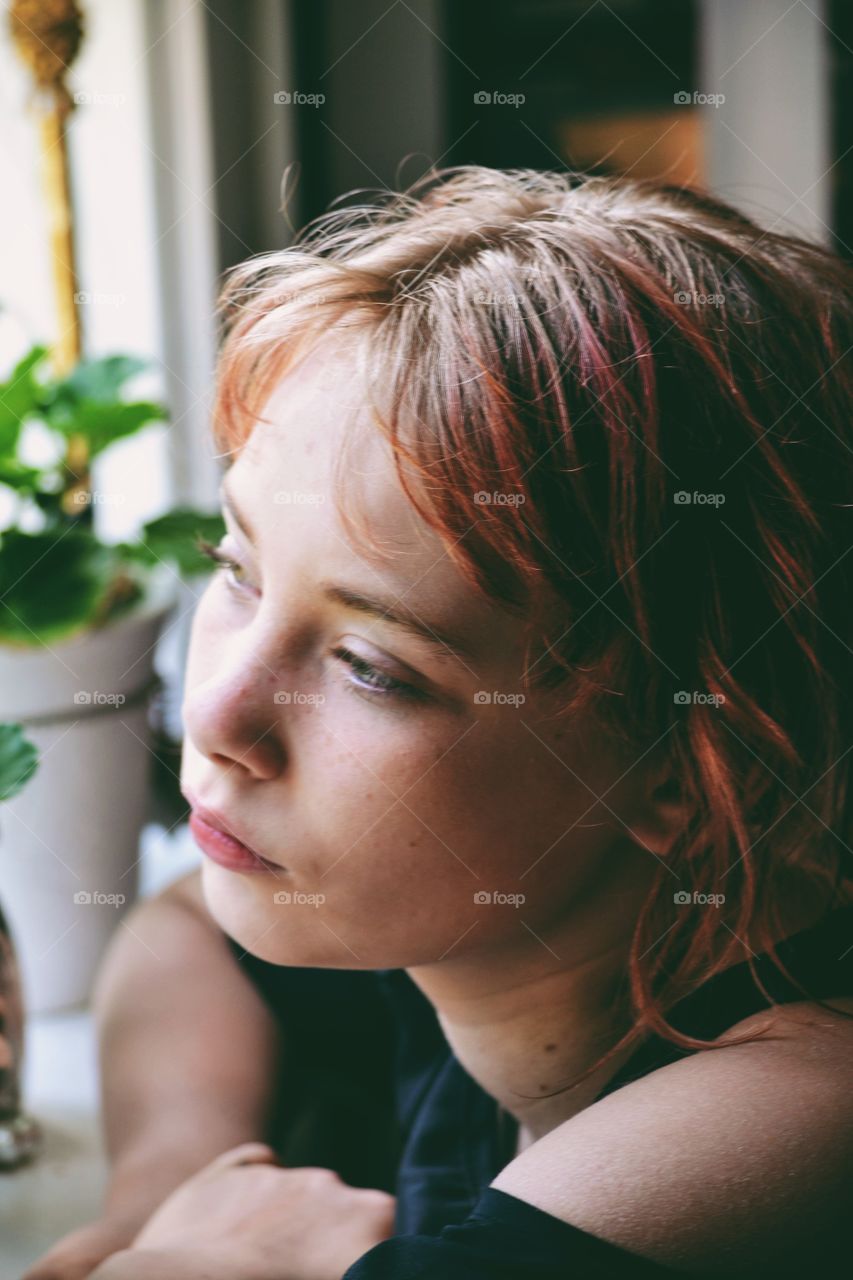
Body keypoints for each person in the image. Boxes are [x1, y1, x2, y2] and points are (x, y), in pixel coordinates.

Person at [24, 166, 853, 1280]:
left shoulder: (792, 1116)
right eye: (237, 568)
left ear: (692, 763)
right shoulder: (504, 916)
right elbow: (187, 930)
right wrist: (172, 1188)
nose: (214, 717)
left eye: (371, 666)